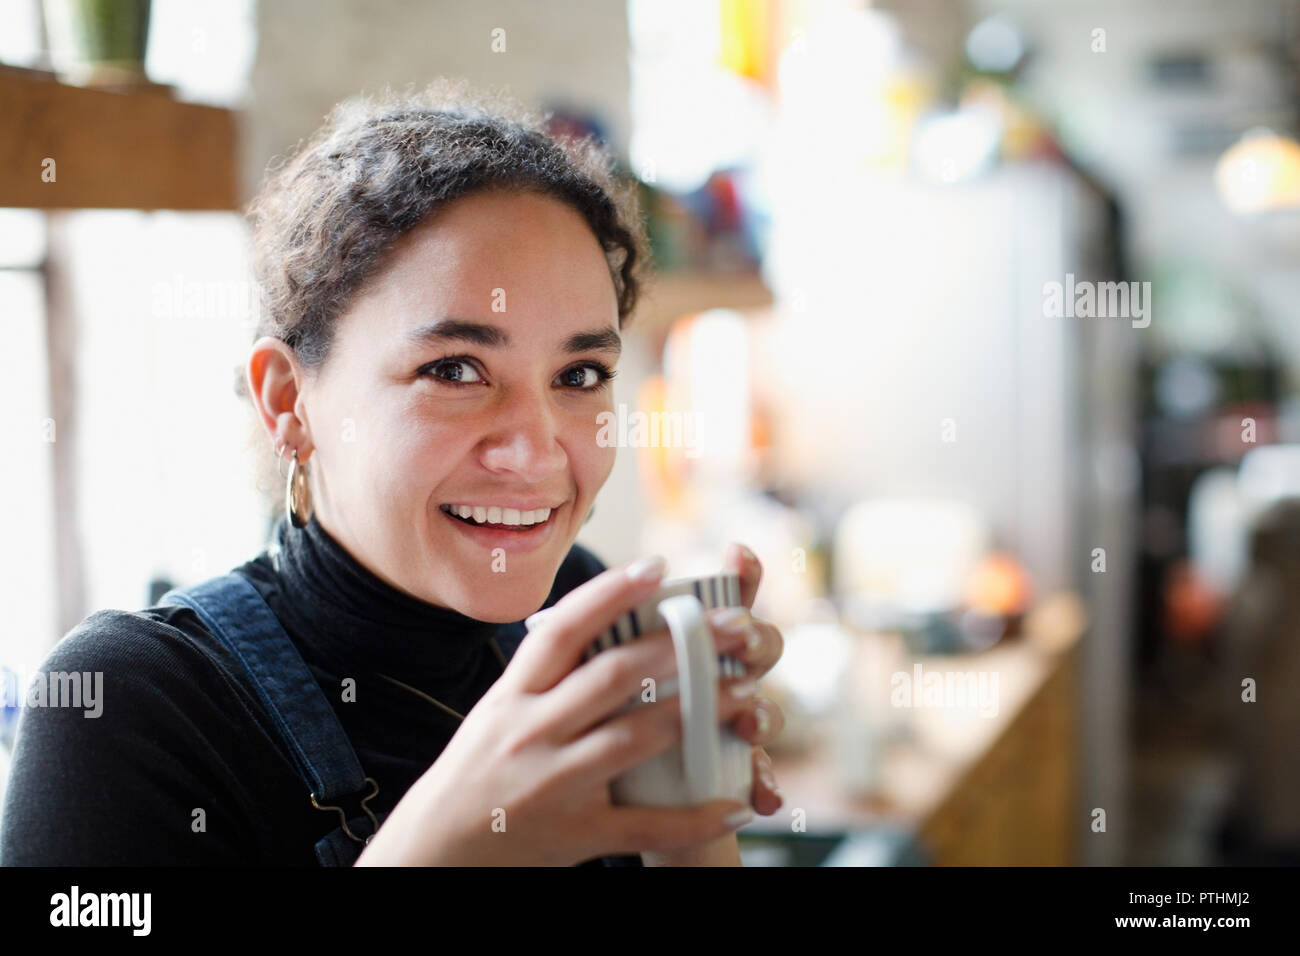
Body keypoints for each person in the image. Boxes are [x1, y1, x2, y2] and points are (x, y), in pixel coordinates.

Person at [0, 79, 785, 866]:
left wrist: (693, 813)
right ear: (289, 401)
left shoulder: (581, 611)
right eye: (454, 369)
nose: (537, 452)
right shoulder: (125, 707)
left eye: (579, 375)